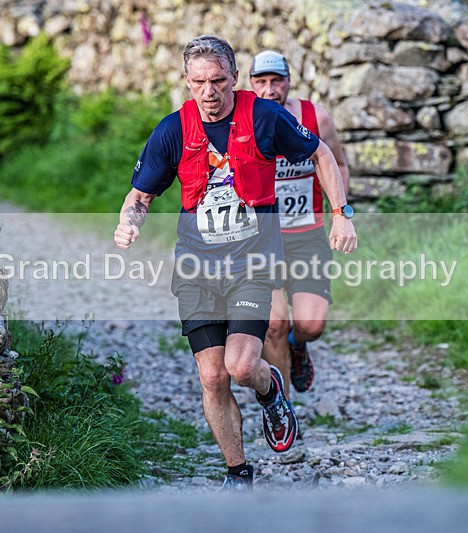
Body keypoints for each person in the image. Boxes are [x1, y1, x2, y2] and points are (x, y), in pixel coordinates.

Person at [114, 35, 356, 491]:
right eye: (200, 82)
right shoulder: (172, 129)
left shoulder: (264, 117)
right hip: (196, 269)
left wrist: (341, 215)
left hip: (251, 265)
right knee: (212, 375)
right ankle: (238, 472)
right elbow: (141, 193)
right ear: (187, 82)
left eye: (220, 81)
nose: (210, 91)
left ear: (234, 78)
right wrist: (130, 222)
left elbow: (322, 154)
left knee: (243, 367)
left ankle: (271, 390)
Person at [249, 50, 353, 395]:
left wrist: (340, 215)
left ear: (289, 81)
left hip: (307, 234)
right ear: (250, 84)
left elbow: (338, 164)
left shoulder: (314, 116)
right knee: (274, 324)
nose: (269, 89)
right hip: (262, 240)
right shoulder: (243, 121)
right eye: (261, 82)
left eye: (276, 81)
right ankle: (283, 407)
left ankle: (298, 344)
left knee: (311, 324)